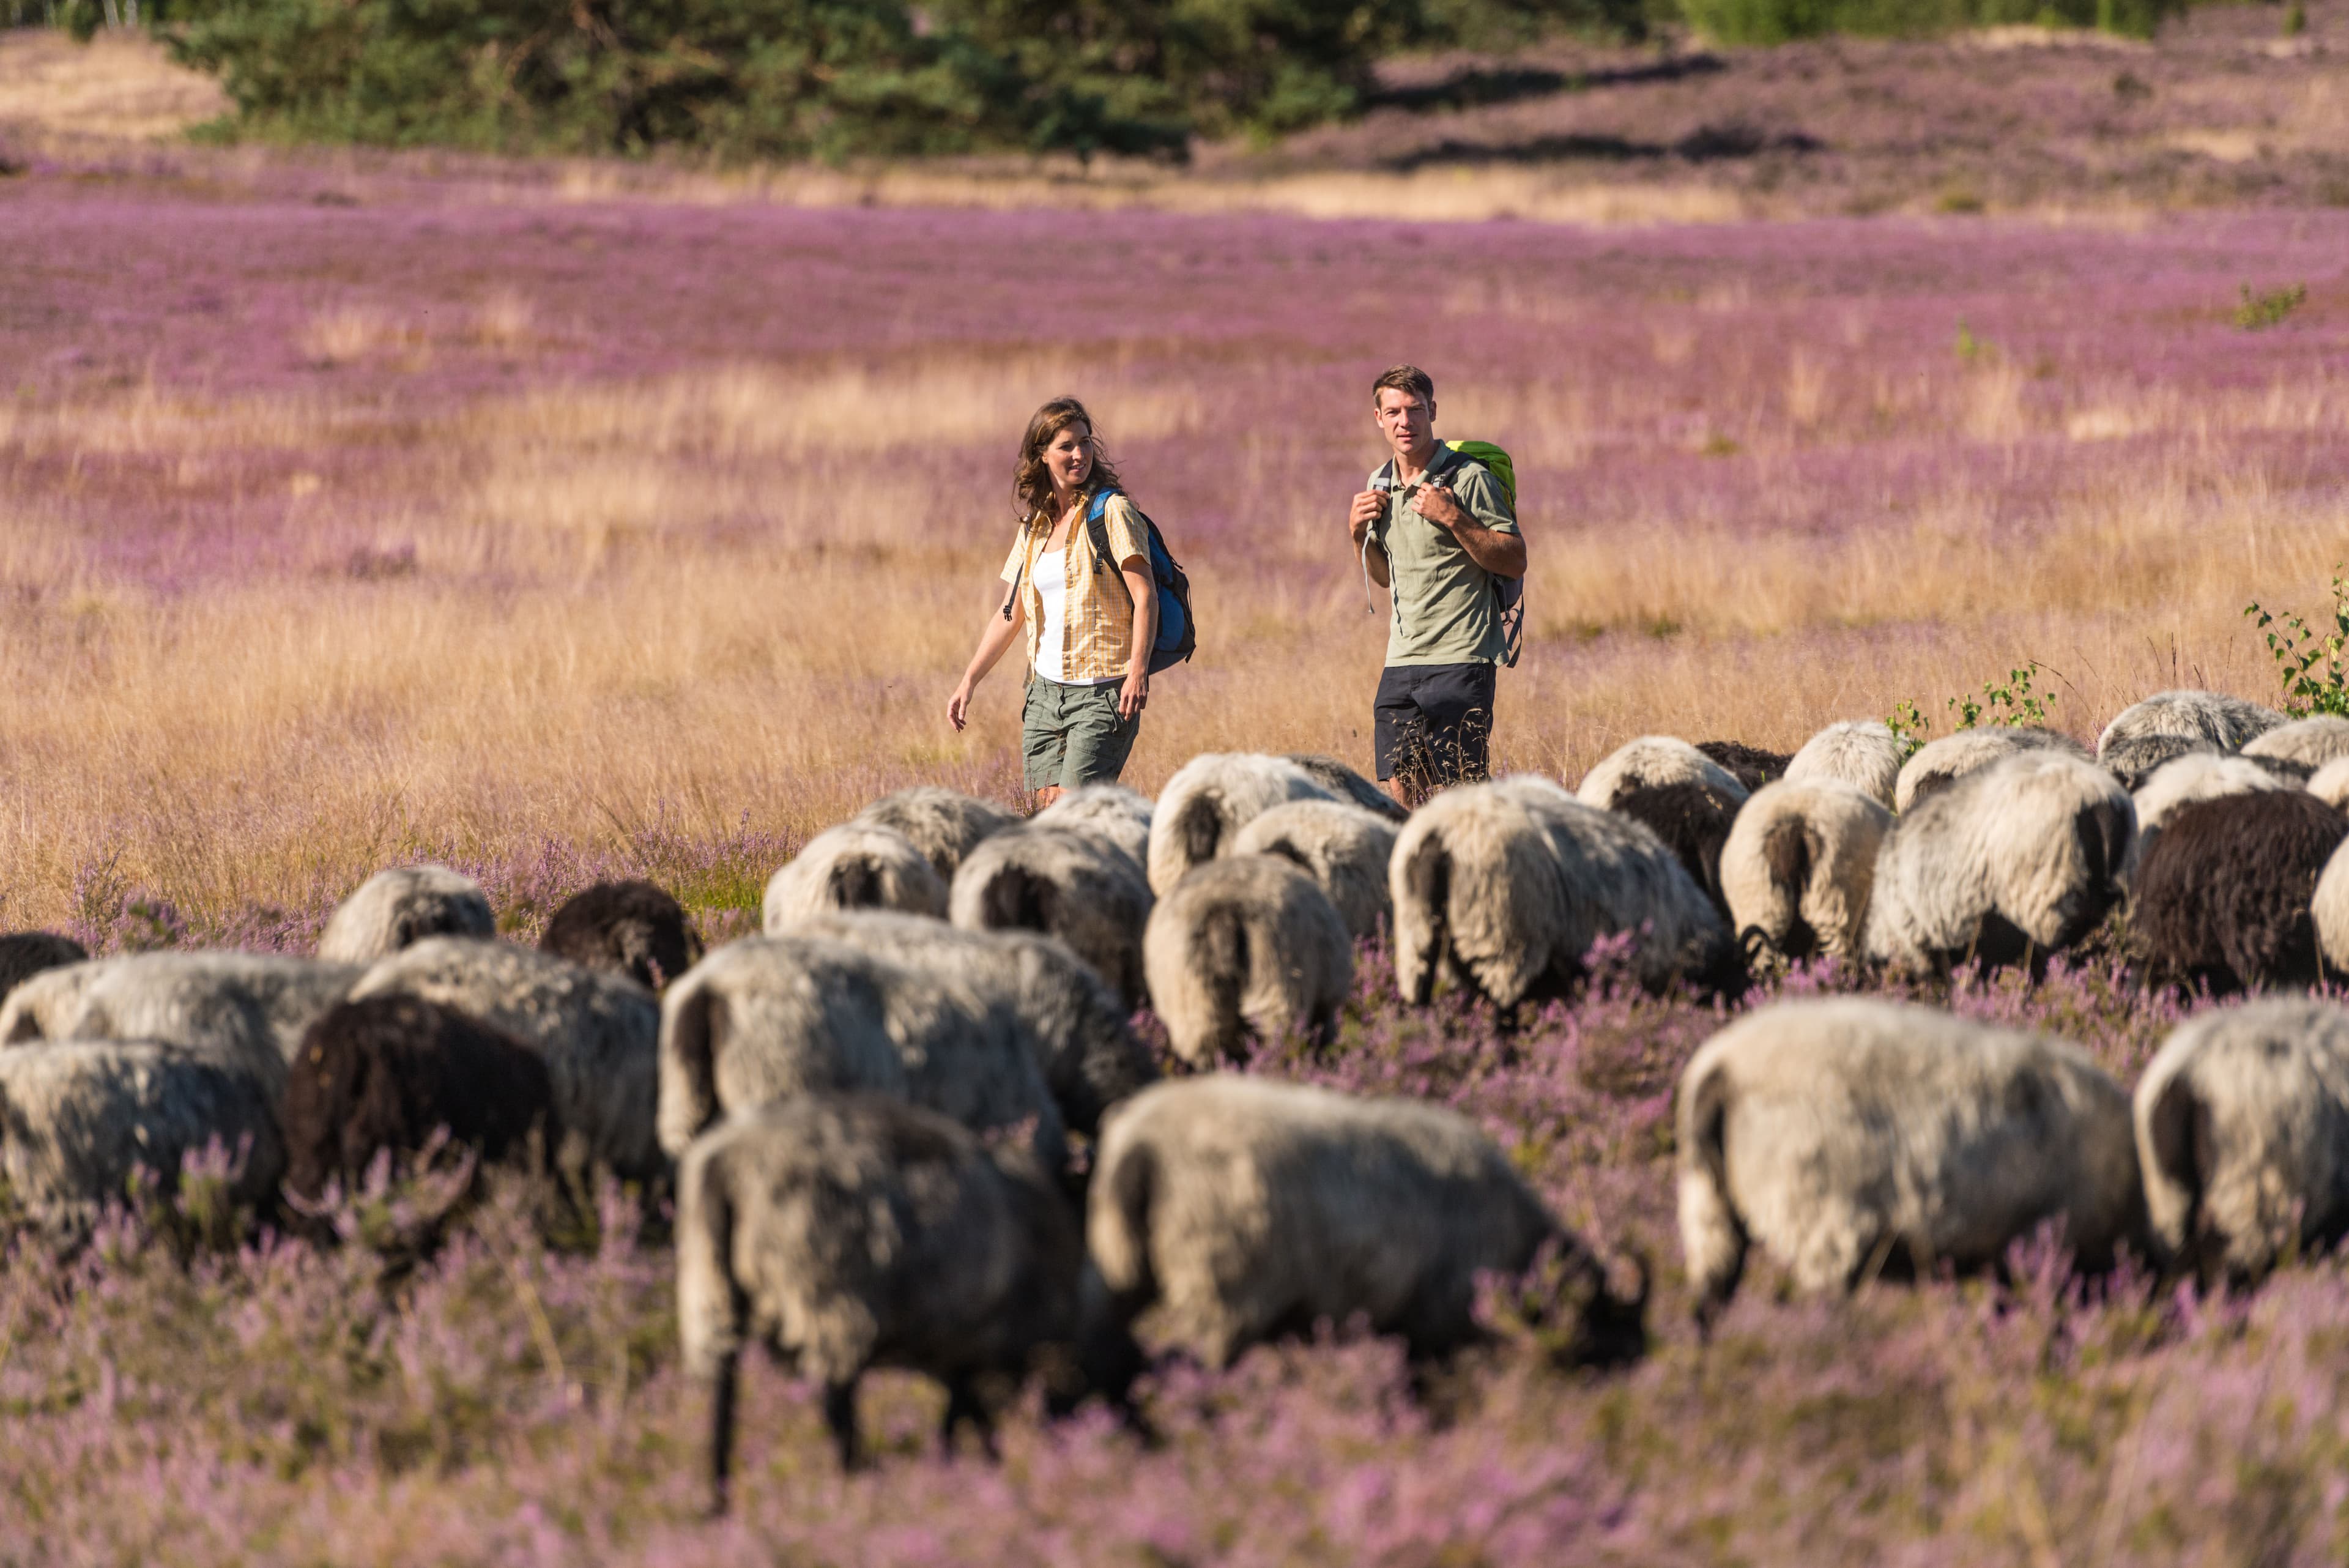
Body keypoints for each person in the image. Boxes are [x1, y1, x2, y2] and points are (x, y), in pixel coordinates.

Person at [947, 397, 1159, 811]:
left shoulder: (1113, 511)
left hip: (1101, 695)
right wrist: (969, 680)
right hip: (1043, 695)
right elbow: (1010, 614)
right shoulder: (1035, 526)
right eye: (1066, 446)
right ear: (1042, 454)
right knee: (1047, 820)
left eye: (1085, 442)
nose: (1079, 454)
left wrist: (1138, 670)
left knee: (1070, 816)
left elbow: (1145, 594)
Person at [1346, 364, 1526, 808]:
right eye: (1393, 412)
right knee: (1404, 792)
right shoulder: (1378, 483)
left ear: (1433, 412)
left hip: (1463, 657)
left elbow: (1515, 557)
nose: (1405, 422)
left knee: (1463, 794)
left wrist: (1454, 517)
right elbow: (1387, 578)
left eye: (1415, 410)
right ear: (1378, 418)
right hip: (1401, 660)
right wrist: (1356, 535)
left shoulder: (1469, 479)